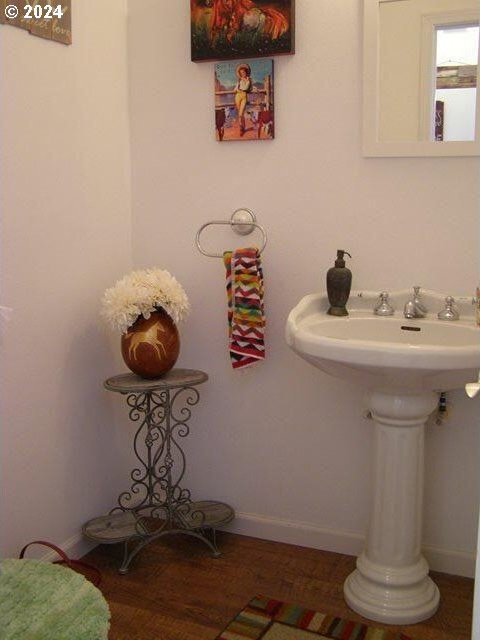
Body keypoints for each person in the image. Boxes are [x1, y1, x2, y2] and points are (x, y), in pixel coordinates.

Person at [234, 63, 252, 136]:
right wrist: (237, 89)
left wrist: (256, 90)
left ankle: (241, 129)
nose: (242, 74)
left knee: (241, 114)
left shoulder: (249, 80)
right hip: (238, 96)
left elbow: (250, 88)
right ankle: (243, 127)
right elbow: (235, 89)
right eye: (241, 73)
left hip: (244, 96)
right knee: (240, 114)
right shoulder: (239, 80)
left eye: (243, 72)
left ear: (246, 72)